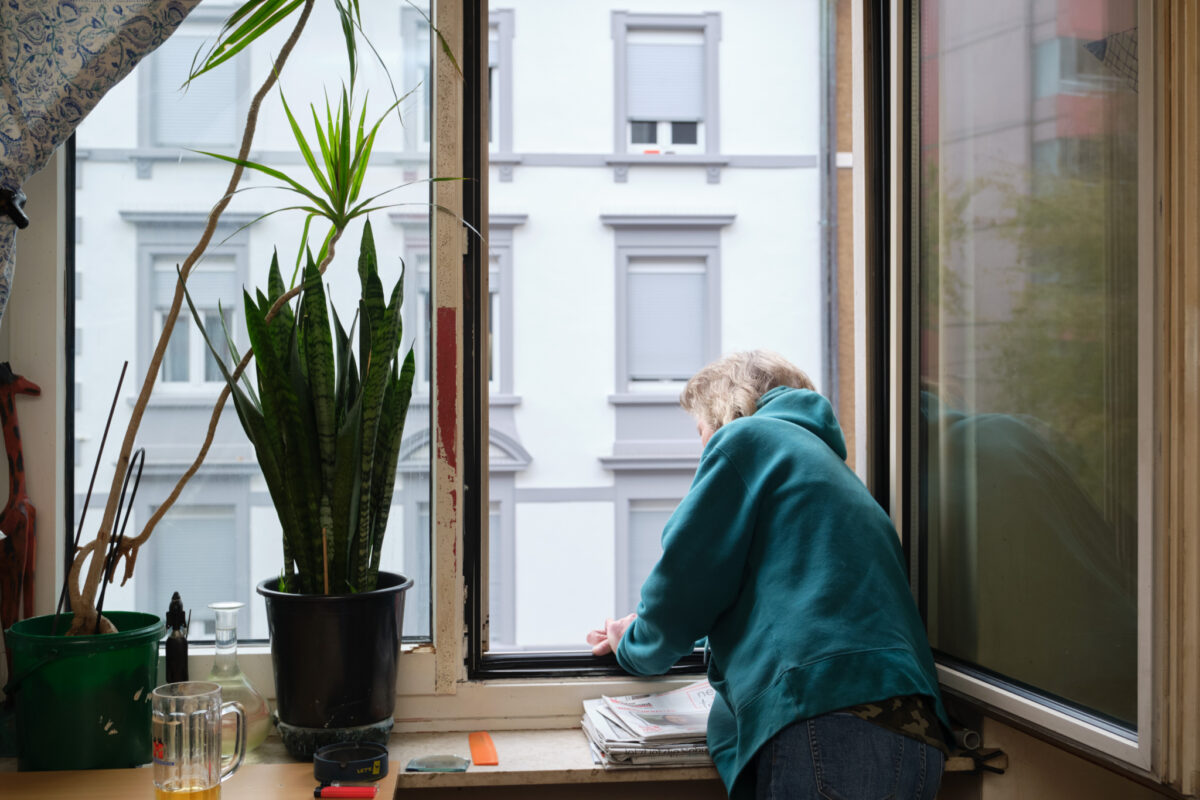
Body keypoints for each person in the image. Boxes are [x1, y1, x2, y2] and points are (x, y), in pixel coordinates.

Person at [587, 350, 951, 800]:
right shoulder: (829, 472)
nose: (701, 451)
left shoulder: (746, 440)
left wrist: (634, 642)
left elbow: (686, 579)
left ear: (726, 410)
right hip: (913, 733)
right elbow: (785, 607)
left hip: (829, 717)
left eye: (701, 432)